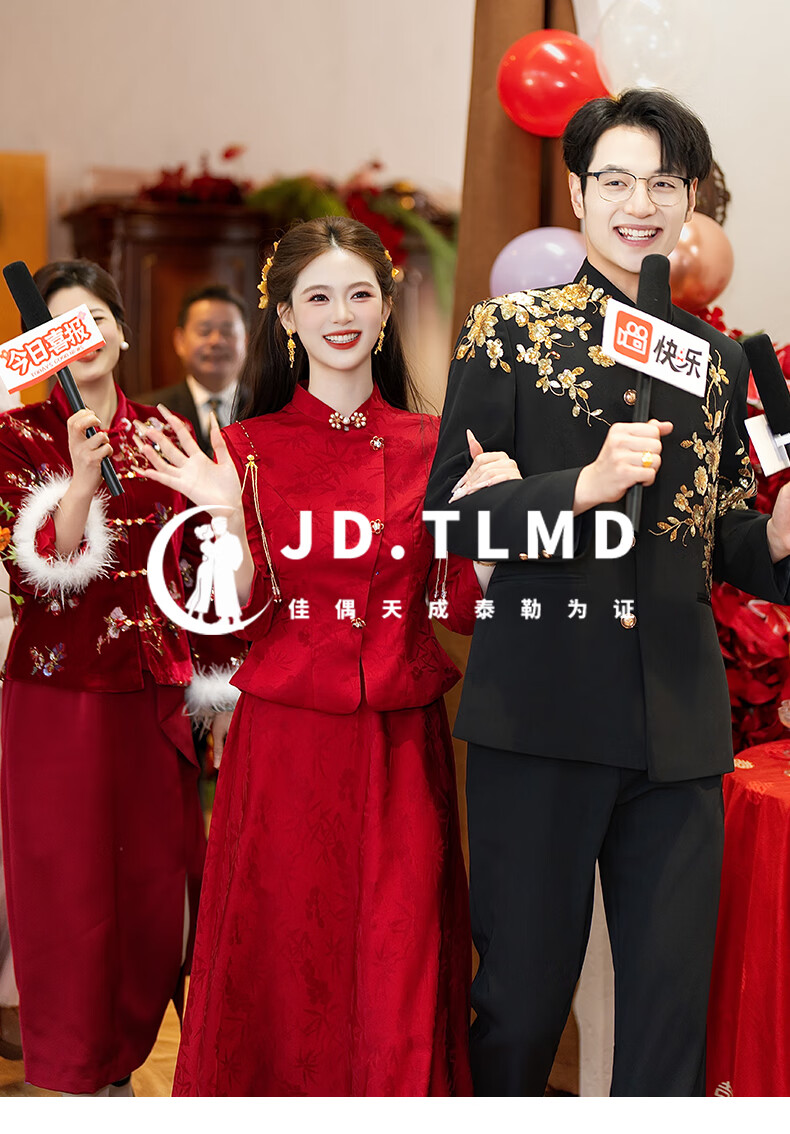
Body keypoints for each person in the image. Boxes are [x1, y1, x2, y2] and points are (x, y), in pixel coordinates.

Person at [425, 88, 790, 1097]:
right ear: (578, 193)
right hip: (540, 712)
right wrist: (578, 486)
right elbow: (452, 517)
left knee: (672, 1014)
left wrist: (774, 538)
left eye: (664, 184)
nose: (641, 204)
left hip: (677, 728)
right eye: (617, 181)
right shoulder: (510, 333)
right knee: (519, 1003)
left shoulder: (715, 358)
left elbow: (716, 537)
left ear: (690, 201)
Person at [134, 216, 481, 1096]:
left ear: (386, 308)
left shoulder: (434, 444)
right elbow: (238, 617)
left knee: (401, 959)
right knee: (284, 962)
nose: (342, 314)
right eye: (318, 297)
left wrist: (491, 526)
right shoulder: (245, 451)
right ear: (286, 316)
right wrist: (223, 513)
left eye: (360, 294)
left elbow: (459, 609)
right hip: (284, 751)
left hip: (401, 751)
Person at [0, 260, 238, 1096]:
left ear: (125, 333)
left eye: (97, 316)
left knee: (152, 892)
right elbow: (37, 574)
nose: (86, 335)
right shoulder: (13, 437)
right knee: (66, 895)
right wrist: (75, 478)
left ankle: (126, 1061)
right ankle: (76, 1072)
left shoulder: (168, 433)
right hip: (57, 699)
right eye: (62, 324)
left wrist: (216, 683)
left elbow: (204, 567)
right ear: (42, 348)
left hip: (158, 692)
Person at [142, 283, 248, 454]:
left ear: (245, 341)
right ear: (180, 341)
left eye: (227, 332)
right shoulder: (150, 413)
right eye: (204, 331)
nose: (216, 341)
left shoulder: (268, 410)